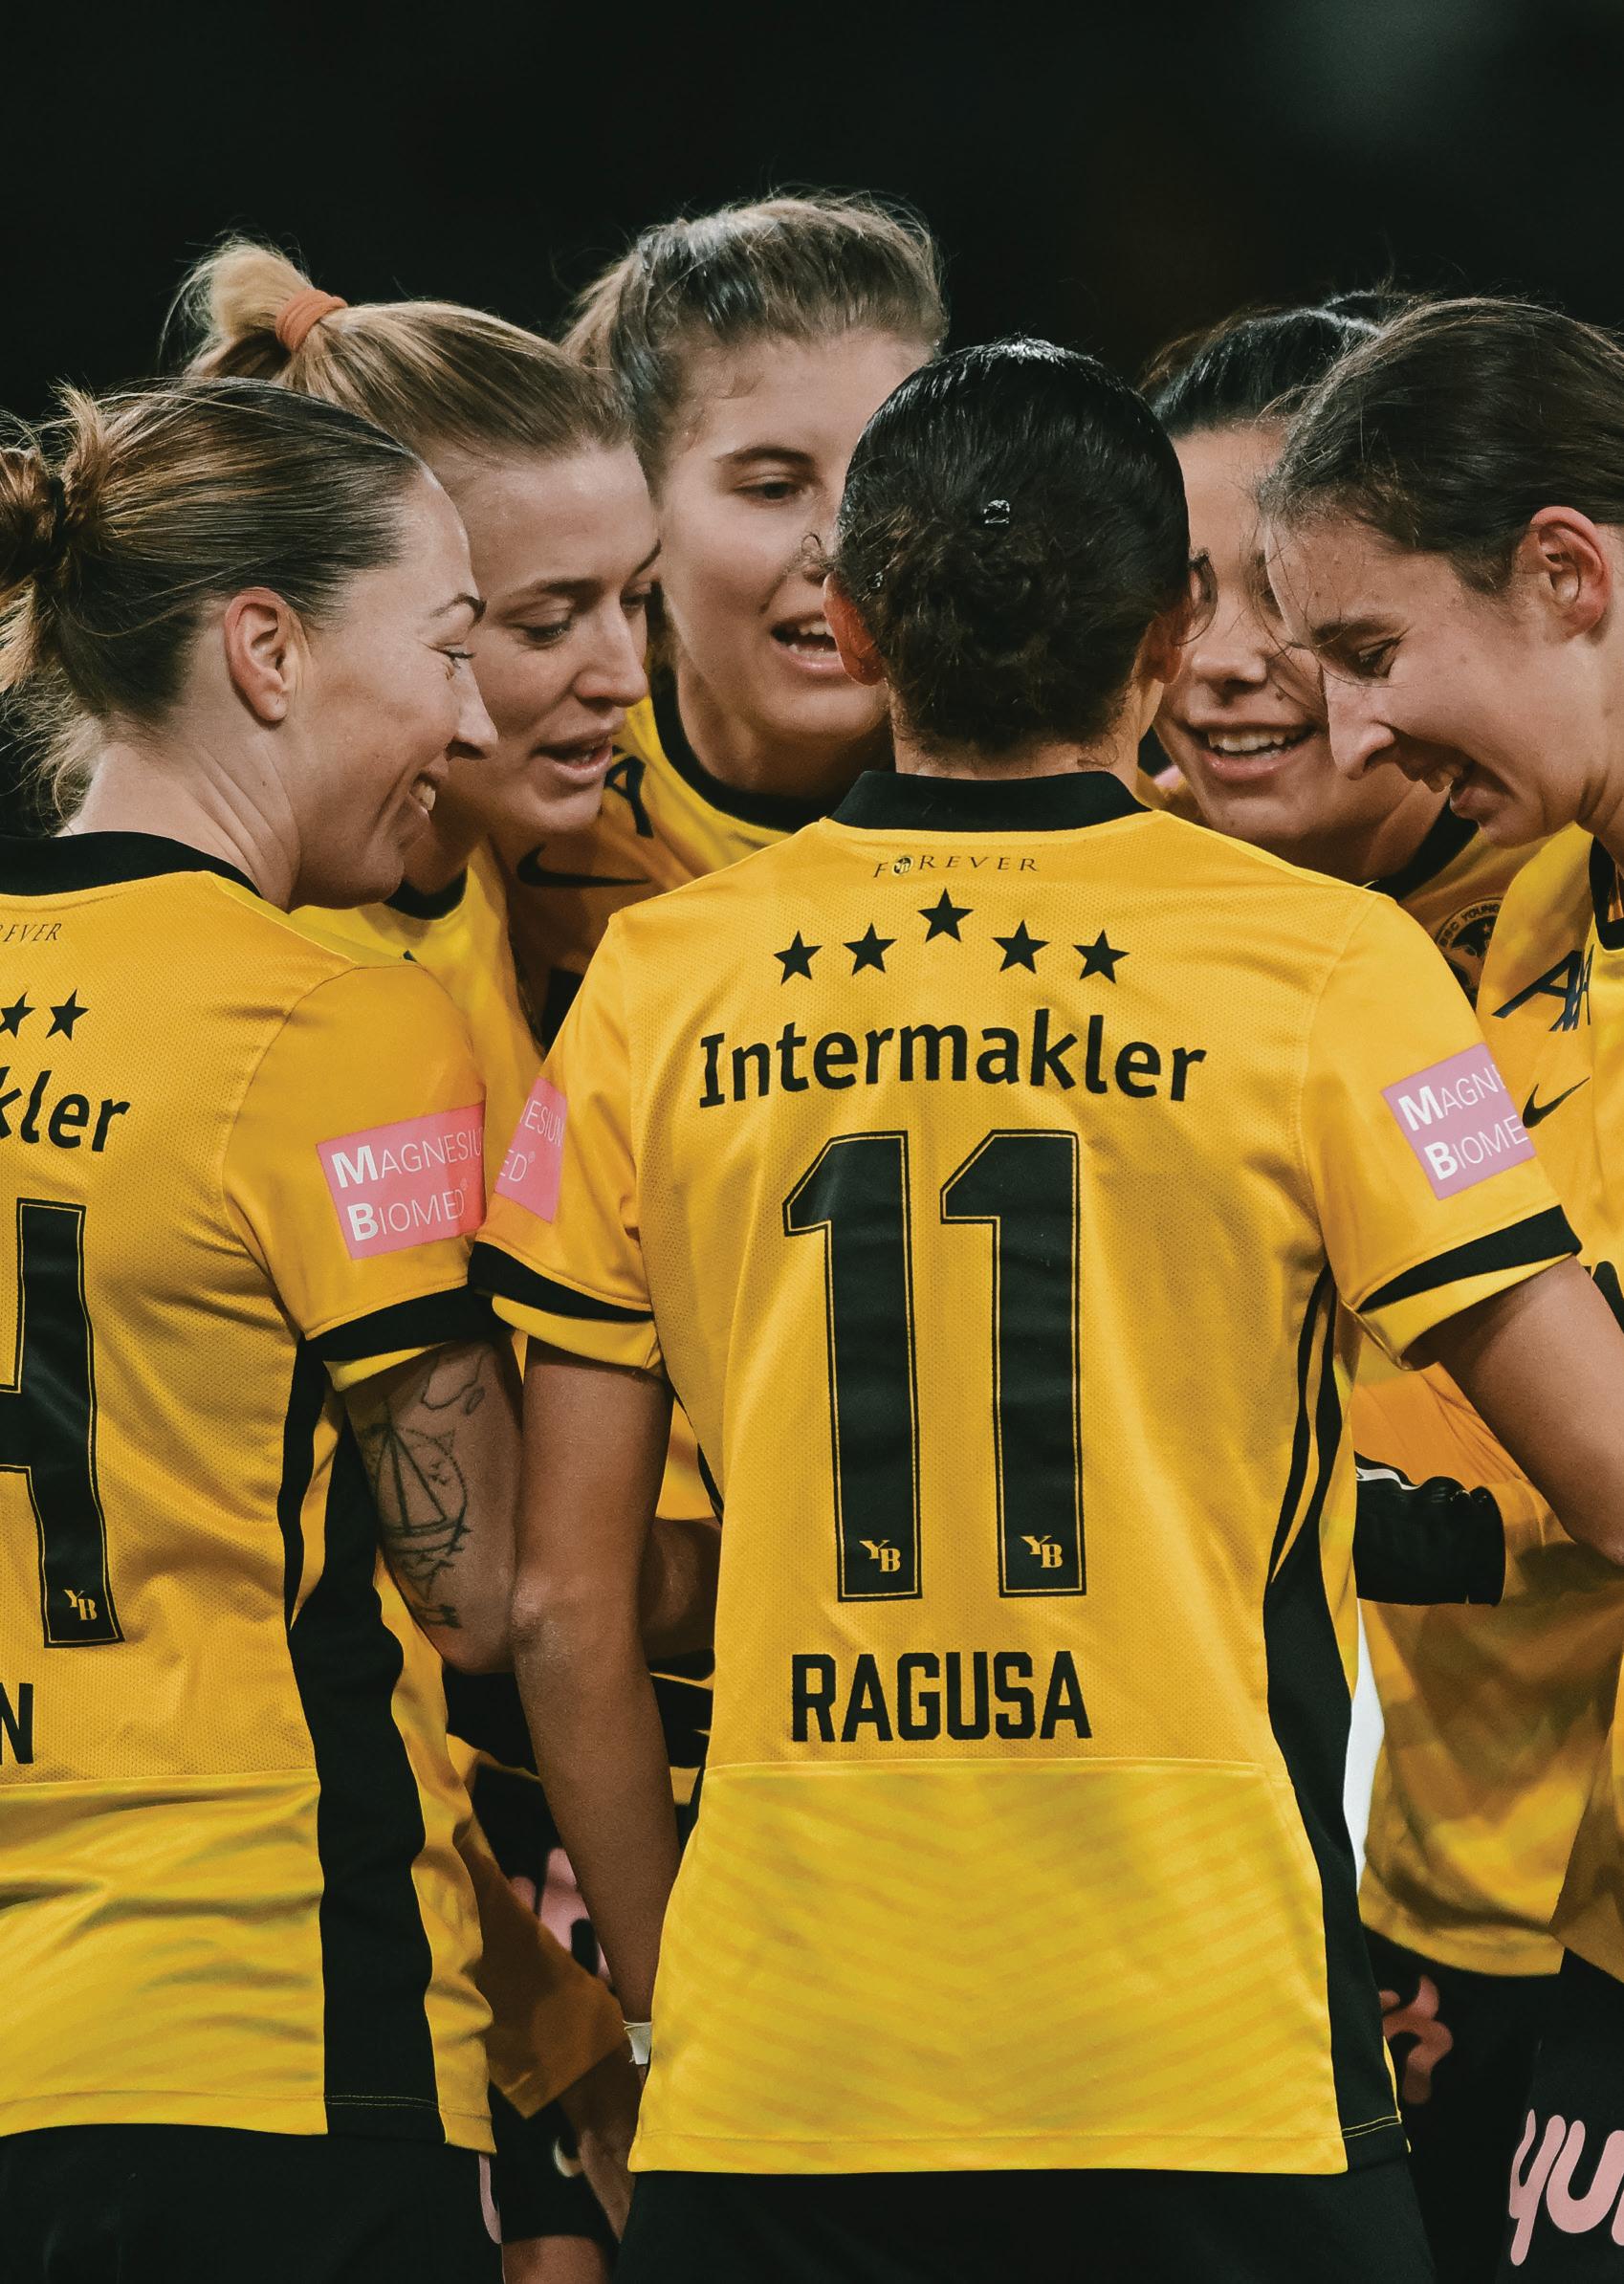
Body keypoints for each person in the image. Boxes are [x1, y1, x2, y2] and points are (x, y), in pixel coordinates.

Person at [472, 338, 1624, 2284]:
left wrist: (674, 2020)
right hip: (1211, 2053)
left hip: (788, 2067)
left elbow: (561, 1608)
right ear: (1172, 635)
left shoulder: (654, 986)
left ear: (854, 620)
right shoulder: (1327, 971)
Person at [0, 374, 619, 2284]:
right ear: (265, 649)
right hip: (251, 2022)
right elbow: (482, 1586)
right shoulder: (332, 1023)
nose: (471, 717)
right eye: (444, 646)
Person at [176, 240, 664, 2276]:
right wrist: (580, 2034)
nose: (620, 672)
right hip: (357, 1916)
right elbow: (443, 1594)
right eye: (539, 622)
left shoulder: (507, 893)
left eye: (635, 601)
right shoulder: (313, 1000)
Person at [1146, 297, 1597, 2284]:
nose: (1339, 713)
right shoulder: (1520, 916)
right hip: (1439, 1913)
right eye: (1193, 597)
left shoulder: (1506, 915)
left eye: (1349, 639)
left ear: (1559, 574)